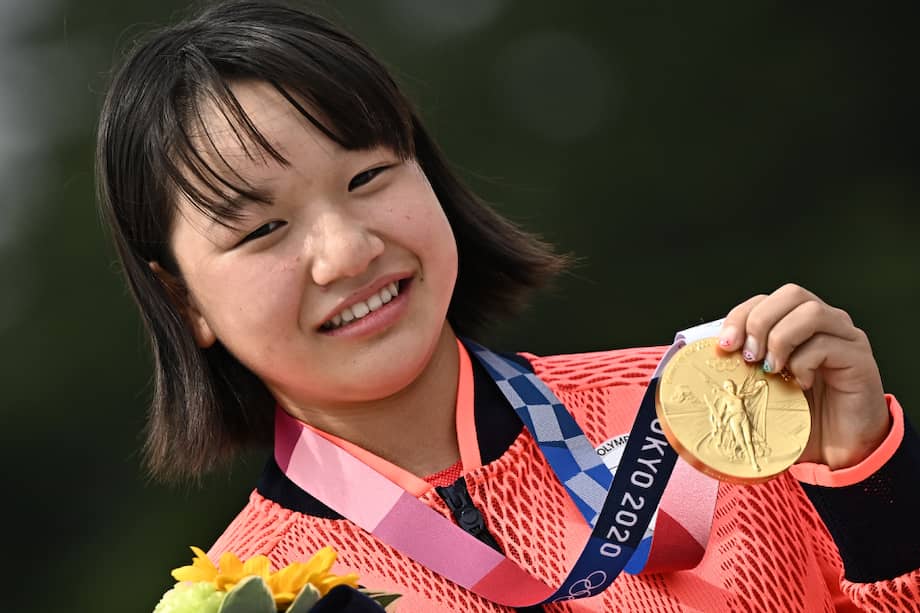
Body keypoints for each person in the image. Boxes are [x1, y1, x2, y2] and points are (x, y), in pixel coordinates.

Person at [96, 1, 920, 611]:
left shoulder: (709, 409)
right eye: (265, 228)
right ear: (183, 298)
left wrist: (868, 484)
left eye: (368, 177)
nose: (346, 252)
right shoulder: (253, 594)